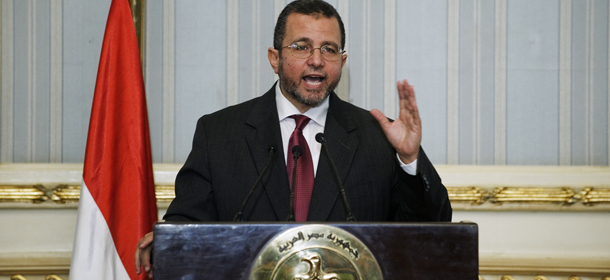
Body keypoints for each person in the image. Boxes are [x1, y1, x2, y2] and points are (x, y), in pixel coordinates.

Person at [135, 0, 451, 277]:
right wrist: (169, 239)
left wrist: (409, 159)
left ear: (341, 62)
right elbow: (188, 224)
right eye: (301, 46)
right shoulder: (219, 133)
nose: (316, 59)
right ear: (275, 58)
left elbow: (430, 234)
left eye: (329, 49)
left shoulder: (379, 137)